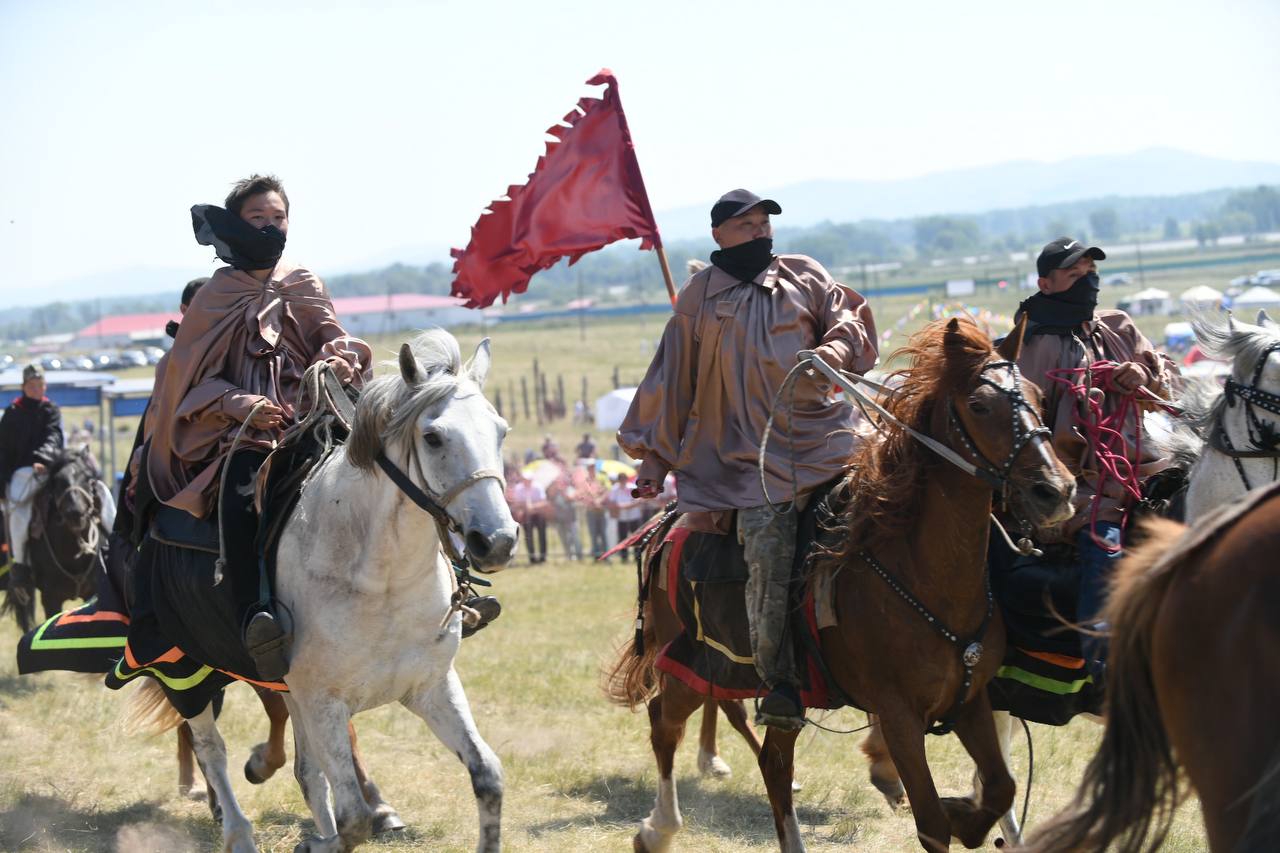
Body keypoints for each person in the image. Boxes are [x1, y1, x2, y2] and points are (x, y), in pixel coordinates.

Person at [618, 189, 878, 729]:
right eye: (747, 225)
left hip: (826, 437)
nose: (760, 231)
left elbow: (846, 316)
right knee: (768, 549)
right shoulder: (697, 298)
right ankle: (780, 681)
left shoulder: (804, 272)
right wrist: (654, 460)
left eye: (764, 223)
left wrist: (834, 349)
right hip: (746, 459)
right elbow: (673, 382)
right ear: (719, 235)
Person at [143, 174, 373, 679]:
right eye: (258, 219)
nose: (271, 227)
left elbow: (331, 335)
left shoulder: (303, 280)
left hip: (315, 412)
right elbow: (188, 381)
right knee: (244, 486)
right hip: (248, 427)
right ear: (235, 224)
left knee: (392, 465)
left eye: (278, 218)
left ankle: (452, 580)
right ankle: (253, 612)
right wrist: (238, 401)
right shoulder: (217, 294)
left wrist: (339, 359)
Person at [1005, 236, 1181, 664]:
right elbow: (1017, 426)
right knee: (1103, 552)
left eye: (1091, 273)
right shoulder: (1031, 346)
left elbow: (1169, 389)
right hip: (1080, 488)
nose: (1087, 282)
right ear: (1045, 284)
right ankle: (1106, 668)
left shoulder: (1118, 325)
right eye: (1074, 274)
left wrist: (1143, 375)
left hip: (1148, 470)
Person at [0, 364, 64, 595]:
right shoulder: (12, 413)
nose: (37, 389)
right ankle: (20, 564)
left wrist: (43, 459)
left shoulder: (51, 410)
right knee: (18, 512)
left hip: (48, 468)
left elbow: (54, 436)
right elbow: (3, 449)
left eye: (40, 385)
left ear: (45, 386)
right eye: (32, 386)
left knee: (83, 494)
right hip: (22, 473)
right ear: (23, 387)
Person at [508, 471, 548, 564]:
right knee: (529, 537)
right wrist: (525, 506)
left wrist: (533, 507)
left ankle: (543, 557)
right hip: (526, 516)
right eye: (525, 479)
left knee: (542, 535)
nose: (527, 481)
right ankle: (532, 557)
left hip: (539, 515)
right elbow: (516, 503)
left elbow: (543, 502)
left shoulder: (538, 487)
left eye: (528, 479)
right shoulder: (519, 488)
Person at [605, 472, 646, 562]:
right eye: (621, 479)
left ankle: (636, 556)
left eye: (624, 479)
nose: (622, 481)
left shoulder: (632, 487)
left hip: (634, 516)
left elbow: (639, 500)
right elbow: (612, 502)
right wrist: (624, 506)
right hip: (622, 517)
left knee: (636, 537)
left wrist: (626, 506)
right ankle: (624, 557)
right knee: (623, 537)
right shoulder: (615, 489)